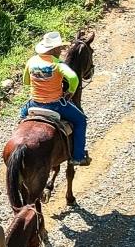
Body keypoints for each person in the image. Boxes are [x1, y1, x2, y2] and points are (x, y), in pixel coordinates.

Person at [21, 31, 90, 165]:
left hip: (33, 103)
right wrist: (70, 91)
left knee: (21, 116)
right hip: (55, 104)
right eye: (59, 48)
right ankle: (78, 156)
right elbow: (73, 78)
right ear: (55, 49)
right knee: (81, 121)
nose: (61, 50)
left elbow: (26, 81)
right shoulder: (58, 64)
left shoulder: (32, 61)